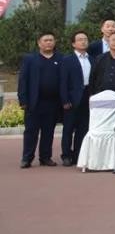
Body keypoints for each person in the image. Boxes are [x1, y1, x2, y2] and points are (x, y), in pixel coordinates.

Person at [18, 32, 63, 168]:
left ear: (55, 42)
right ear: (39, 43)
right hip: (34, 102)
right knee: (31, 131)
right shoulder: (30, 59)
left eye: (51, 40)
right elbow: (23, 80)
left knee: (48, 132)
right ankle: (27, 158)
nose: (48, 42)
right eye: (45, 40)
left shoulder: (61, 58)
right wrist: (23, 100)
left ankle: (45, 157)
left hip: (53, 102)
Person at [59, 31, 92, 166]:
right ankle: (66, 155)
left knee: (83, 128)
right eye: (80, 39)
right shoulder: (67, 60)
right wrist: (65, 100)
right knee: (68, 128)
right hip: (72, 99)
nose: (83, 41)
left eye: (85, 39)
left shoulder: (92, 59)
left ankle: (78, 154)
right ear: (73, 44)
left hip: (87, 97)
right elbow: (63, 82)